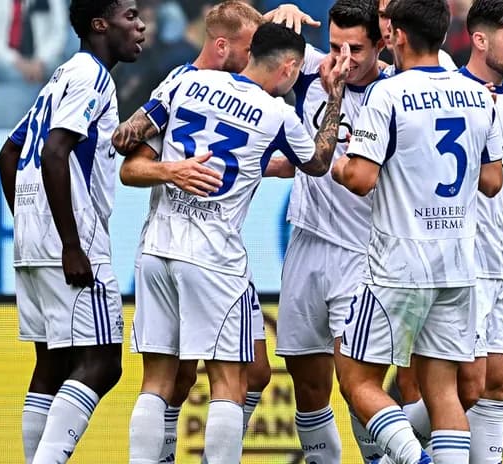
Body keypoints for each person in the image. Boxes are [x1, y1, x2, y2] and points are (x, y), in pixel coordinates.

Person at [120, 22, 348, 464]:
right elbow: (319, 163)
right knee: (229, 380)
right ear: (290, 69)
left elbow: (129, 141)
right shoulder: (277, 112)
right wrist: (333, 94)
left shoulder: (189, 81)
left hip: (155, 248)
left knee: (157, 380)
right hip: (213, 256)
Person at [332, 0, 503, 462]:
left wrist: (341, 165)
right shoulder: (475, 94)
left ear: (397, 37)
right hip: (458, 264)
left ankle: (414, 458)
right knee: (442, 390)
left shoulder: (387, 95)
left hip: (400, 263)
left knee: (357, 380)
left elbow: (361, 181)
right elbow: (492, 182)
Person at [111, 4, 274, 461]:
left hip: (191, 247)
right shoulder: (177, 83)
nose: (252, 60)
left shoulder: (201, 88)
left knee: (254, 371)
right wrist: (170, 168)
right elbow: (128, 157)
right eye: (247, 49)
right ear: (222, 46)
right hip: (203, 253)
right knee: (201, 378)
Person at [0, 1, 145, 462]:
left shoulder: (61, 76)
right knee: (102, 364)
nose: (140, 26)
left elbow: (7, 155)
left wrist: (30, 225)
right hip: (71, 239)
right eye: (130, 16)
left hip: (34, 238)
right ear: (100, 24)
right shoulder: (90, 76)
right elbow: (55, 153)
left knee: (55, 363)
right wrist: (71, 244)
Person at [392, 3, 503, 463]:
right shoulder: (455, 95)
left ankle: (393, 443)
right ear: (478, 39)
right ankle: (385, 443)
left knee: (494, 382)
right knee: (466, 386)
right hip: (461, 267)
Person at [271, 1, 387, 462]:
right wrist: (273, 18)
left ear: (382, 43)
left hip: (363, 253)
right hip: (306, 241)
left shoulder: (395, 93)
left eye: (356, 48)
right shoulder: (309, 72)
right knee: (307, 381)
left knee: (357, 383)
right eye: (336, 45)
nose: (342, 59)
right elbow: (240, 45)